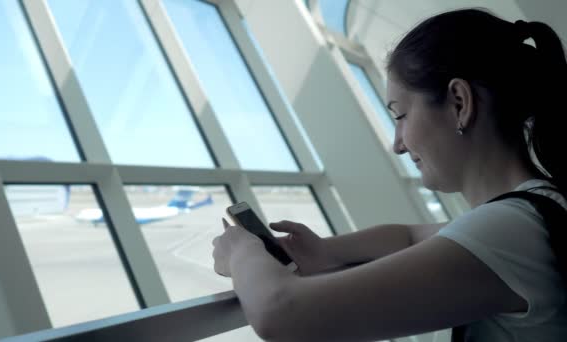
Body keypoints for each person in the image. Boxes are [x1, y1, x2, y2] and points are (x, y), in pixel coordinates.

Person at [212, 8, 567, 341]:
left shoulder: (508, 230)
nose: (397, 144)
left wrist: (241, 251)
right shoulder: (541, 206)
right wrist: (325, 252)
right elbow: (410, 236)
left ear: (459, 103)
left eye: (400, 116)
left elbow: (282, 312)